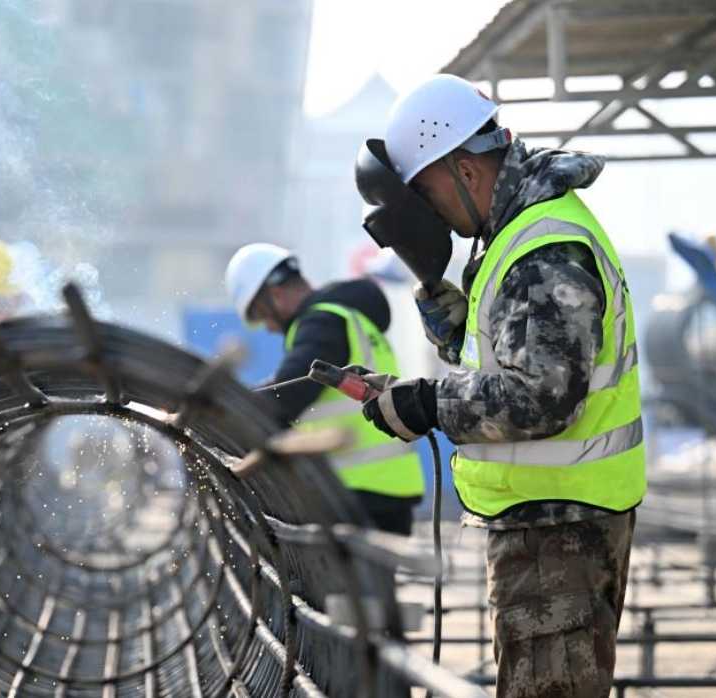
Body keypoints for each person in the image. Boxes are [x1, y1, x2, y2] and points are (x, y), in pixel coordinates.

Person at [354, 73, 644, 697]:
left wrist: (427, 403)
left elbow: (540, 398)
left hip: (561, 530)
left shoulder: (541, 248)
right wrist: (444, 308)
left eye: (426, 193)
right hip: (550, 524)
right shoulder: (515, 236)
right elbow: (509, 359)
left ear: (465, 167)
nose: (430, 212)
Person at [224, 243, 424, 535]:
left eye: (259, 315)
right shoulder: (352, 319)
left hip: (355, 491)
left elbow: (286, 396)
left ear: (275, 295)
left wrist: (223, 407)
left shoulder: (322, 323)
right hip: (387, 489)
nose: (267, 327)